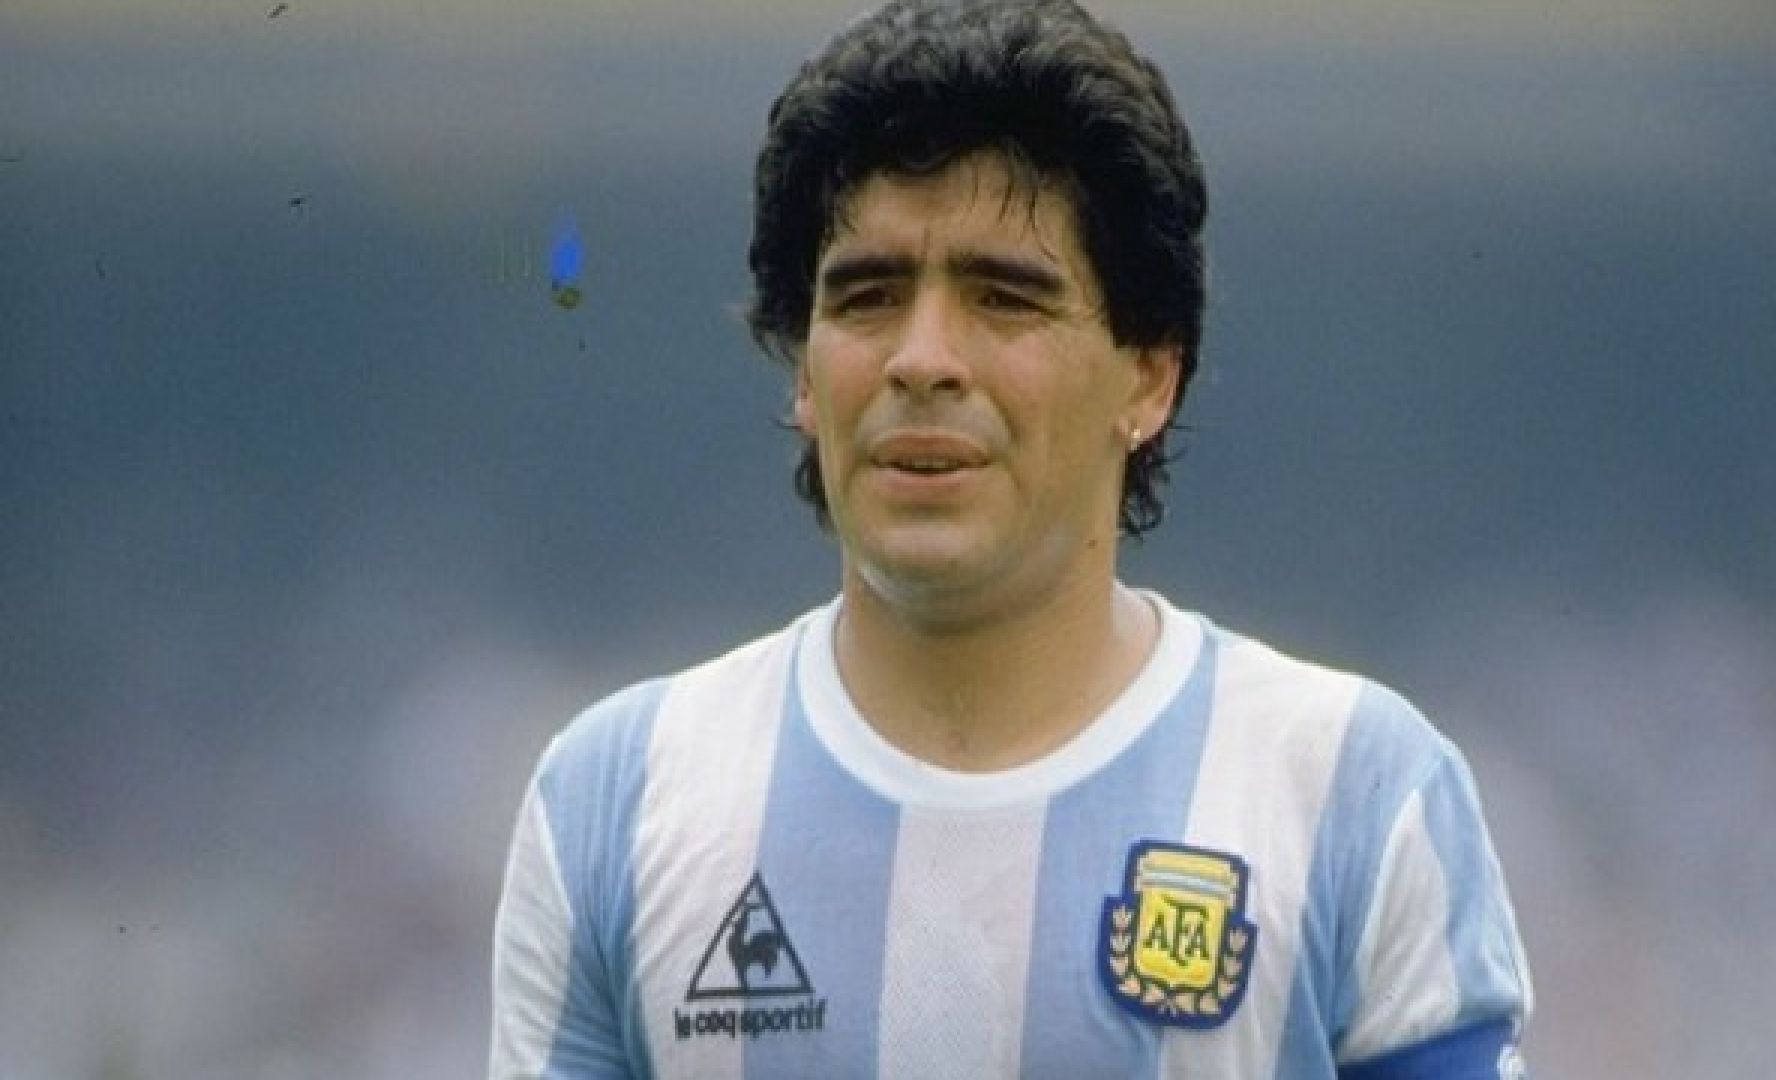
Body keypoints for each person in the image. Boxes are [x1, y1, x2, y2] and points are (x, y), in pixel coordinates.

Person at [489, 1, 1532, 1077]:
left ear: (1150, 375)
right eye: (868, 297)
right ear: (803, 371)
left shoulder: (1354, 788)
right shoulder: (612, 802)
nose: (922, 359)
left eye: (1004, 299)